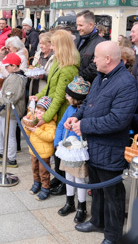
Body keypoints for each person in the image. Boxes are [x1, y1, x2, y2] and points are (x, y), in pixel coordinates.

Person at [65, 41, 138, 243]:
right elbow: (90, 103)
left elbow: (118, 120)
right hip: (94, 144)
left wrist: (85, 126)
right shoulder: (101, 76)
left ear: (108, 59)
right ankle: (97, 221)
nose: (92, 61)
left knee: (112, 193)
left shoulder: (126, 83)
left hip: (110, 147)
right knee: (96, 186)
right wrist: (77, 117)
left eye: (96, 57)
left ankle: (113, 235)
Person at [31, 30, 80, 196]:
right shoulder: (59, 63)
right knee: (57, 149)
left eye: (53, 44)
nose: (51, 47)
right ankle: (58, 179)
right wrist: (37, 96)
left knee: (60, 147)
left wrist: (44, 118)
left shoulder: (68, 69)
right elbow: (49, 87)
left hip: (62, 112)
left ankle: (63, 182)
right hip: (54, 109)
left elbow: (59, 97)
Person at [54, 76, 90, 223]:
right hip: (67, 149)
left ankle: (82, 206)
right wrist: (57, 142)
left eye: (68, 95)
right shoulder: (69, 109)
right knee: (68, 176)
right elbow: (62, 124)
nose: (66, 97)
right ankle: (70, 202)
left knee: (80, 179)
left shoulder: (85, 111)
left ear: (75, 97)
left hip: (79, 151)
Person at [0, 53, 27, 168]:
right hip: (5, 110)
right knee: (0, 132)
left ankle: (11, 158)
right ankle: (1, 151)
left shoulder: (16, 78)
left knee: (9, 135)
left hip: (10, 111)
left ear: (14, 66)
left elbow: (11, 98)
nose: (5, 68)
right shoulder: (13, 75)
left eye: (7, 66)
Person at [24, 96, 57, 201]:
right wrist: (27, 126)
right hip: (34, 150)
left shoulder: (50, 123)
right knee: (35, 169)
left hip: (44, 152)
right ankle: (36, 183)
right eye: (37, 108)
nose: (38, 111)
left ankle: (45, 188)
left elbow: (50, 137)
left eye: (42, 110)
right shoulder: (35, 119)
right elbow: (28, 133)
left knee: (44, 172)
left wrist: (36, 130)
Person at [75, 10, 105, 83]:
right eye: (77, 25)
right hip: (75, 85)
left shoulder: (101, 43)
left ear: (91, 25)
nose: (77, 28)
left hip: (88, 87)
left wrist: (76, 76)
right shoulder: (77, 39)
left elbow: (95, 68)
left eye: (80, 25)